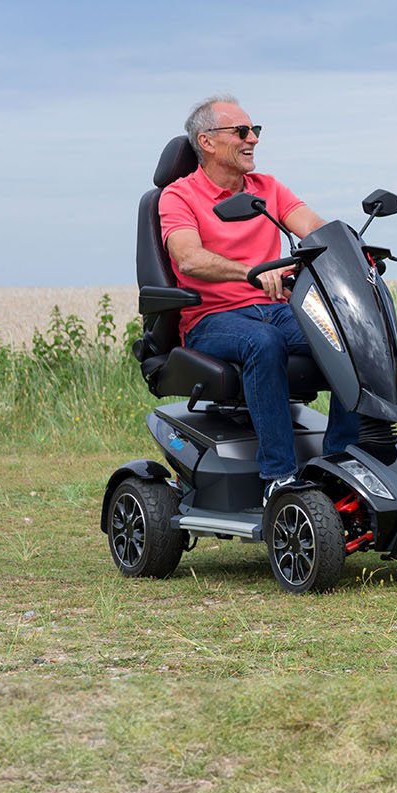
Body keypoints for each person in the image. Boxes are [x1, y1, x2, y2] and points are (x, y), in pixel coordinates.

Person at [158, 95, 359, 498]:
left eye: (255, 131)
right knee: (263, 344)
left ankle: (339, 463)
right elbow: (188, 257)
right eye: (242, 131)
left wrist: (353, 247)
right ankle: (279, 478)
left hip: (276, 310)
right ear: (208, 141)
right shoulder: (178, 197)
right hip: (212, 320)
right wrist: (252, 273)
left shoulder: (267, 188)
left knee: (347, 335)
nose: (253, 139)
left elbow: (315, 228)